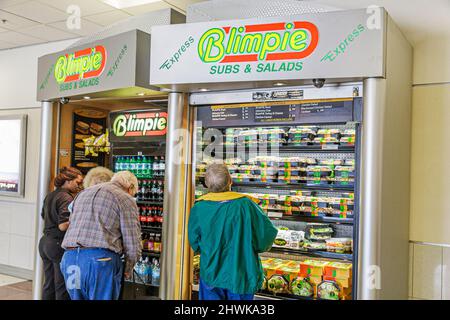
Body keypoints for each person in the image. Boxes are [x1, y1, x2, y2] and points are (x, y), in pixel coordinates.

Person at [188, 163, 277, 300]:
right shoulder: (247, 205)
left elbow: (195, 243)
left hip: (211, 272)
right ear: (230, 181)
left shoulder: (199, 208)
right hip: (241, 274)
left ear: (206, 183)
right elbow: (266, 237)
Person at [60, 171, 141, 300]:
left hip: (70, 259)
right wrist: (128, 268)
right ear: (130, 187)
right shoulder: (125, 198)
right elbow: (132, 241)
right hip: (100, 261)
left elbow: (72, 220)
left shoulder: (82, 194)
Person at [38, 166, 83, 300]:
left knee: (49, 284)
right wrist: (79, 219)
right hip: (58, 244)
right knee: (62, 286)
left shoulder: (51, 195)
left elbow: (43, 215)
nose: (79, 186)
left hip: (45, 243)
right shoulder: (66, 198)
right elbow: (63, 225)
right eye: (78, 182)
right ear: (68, 181)